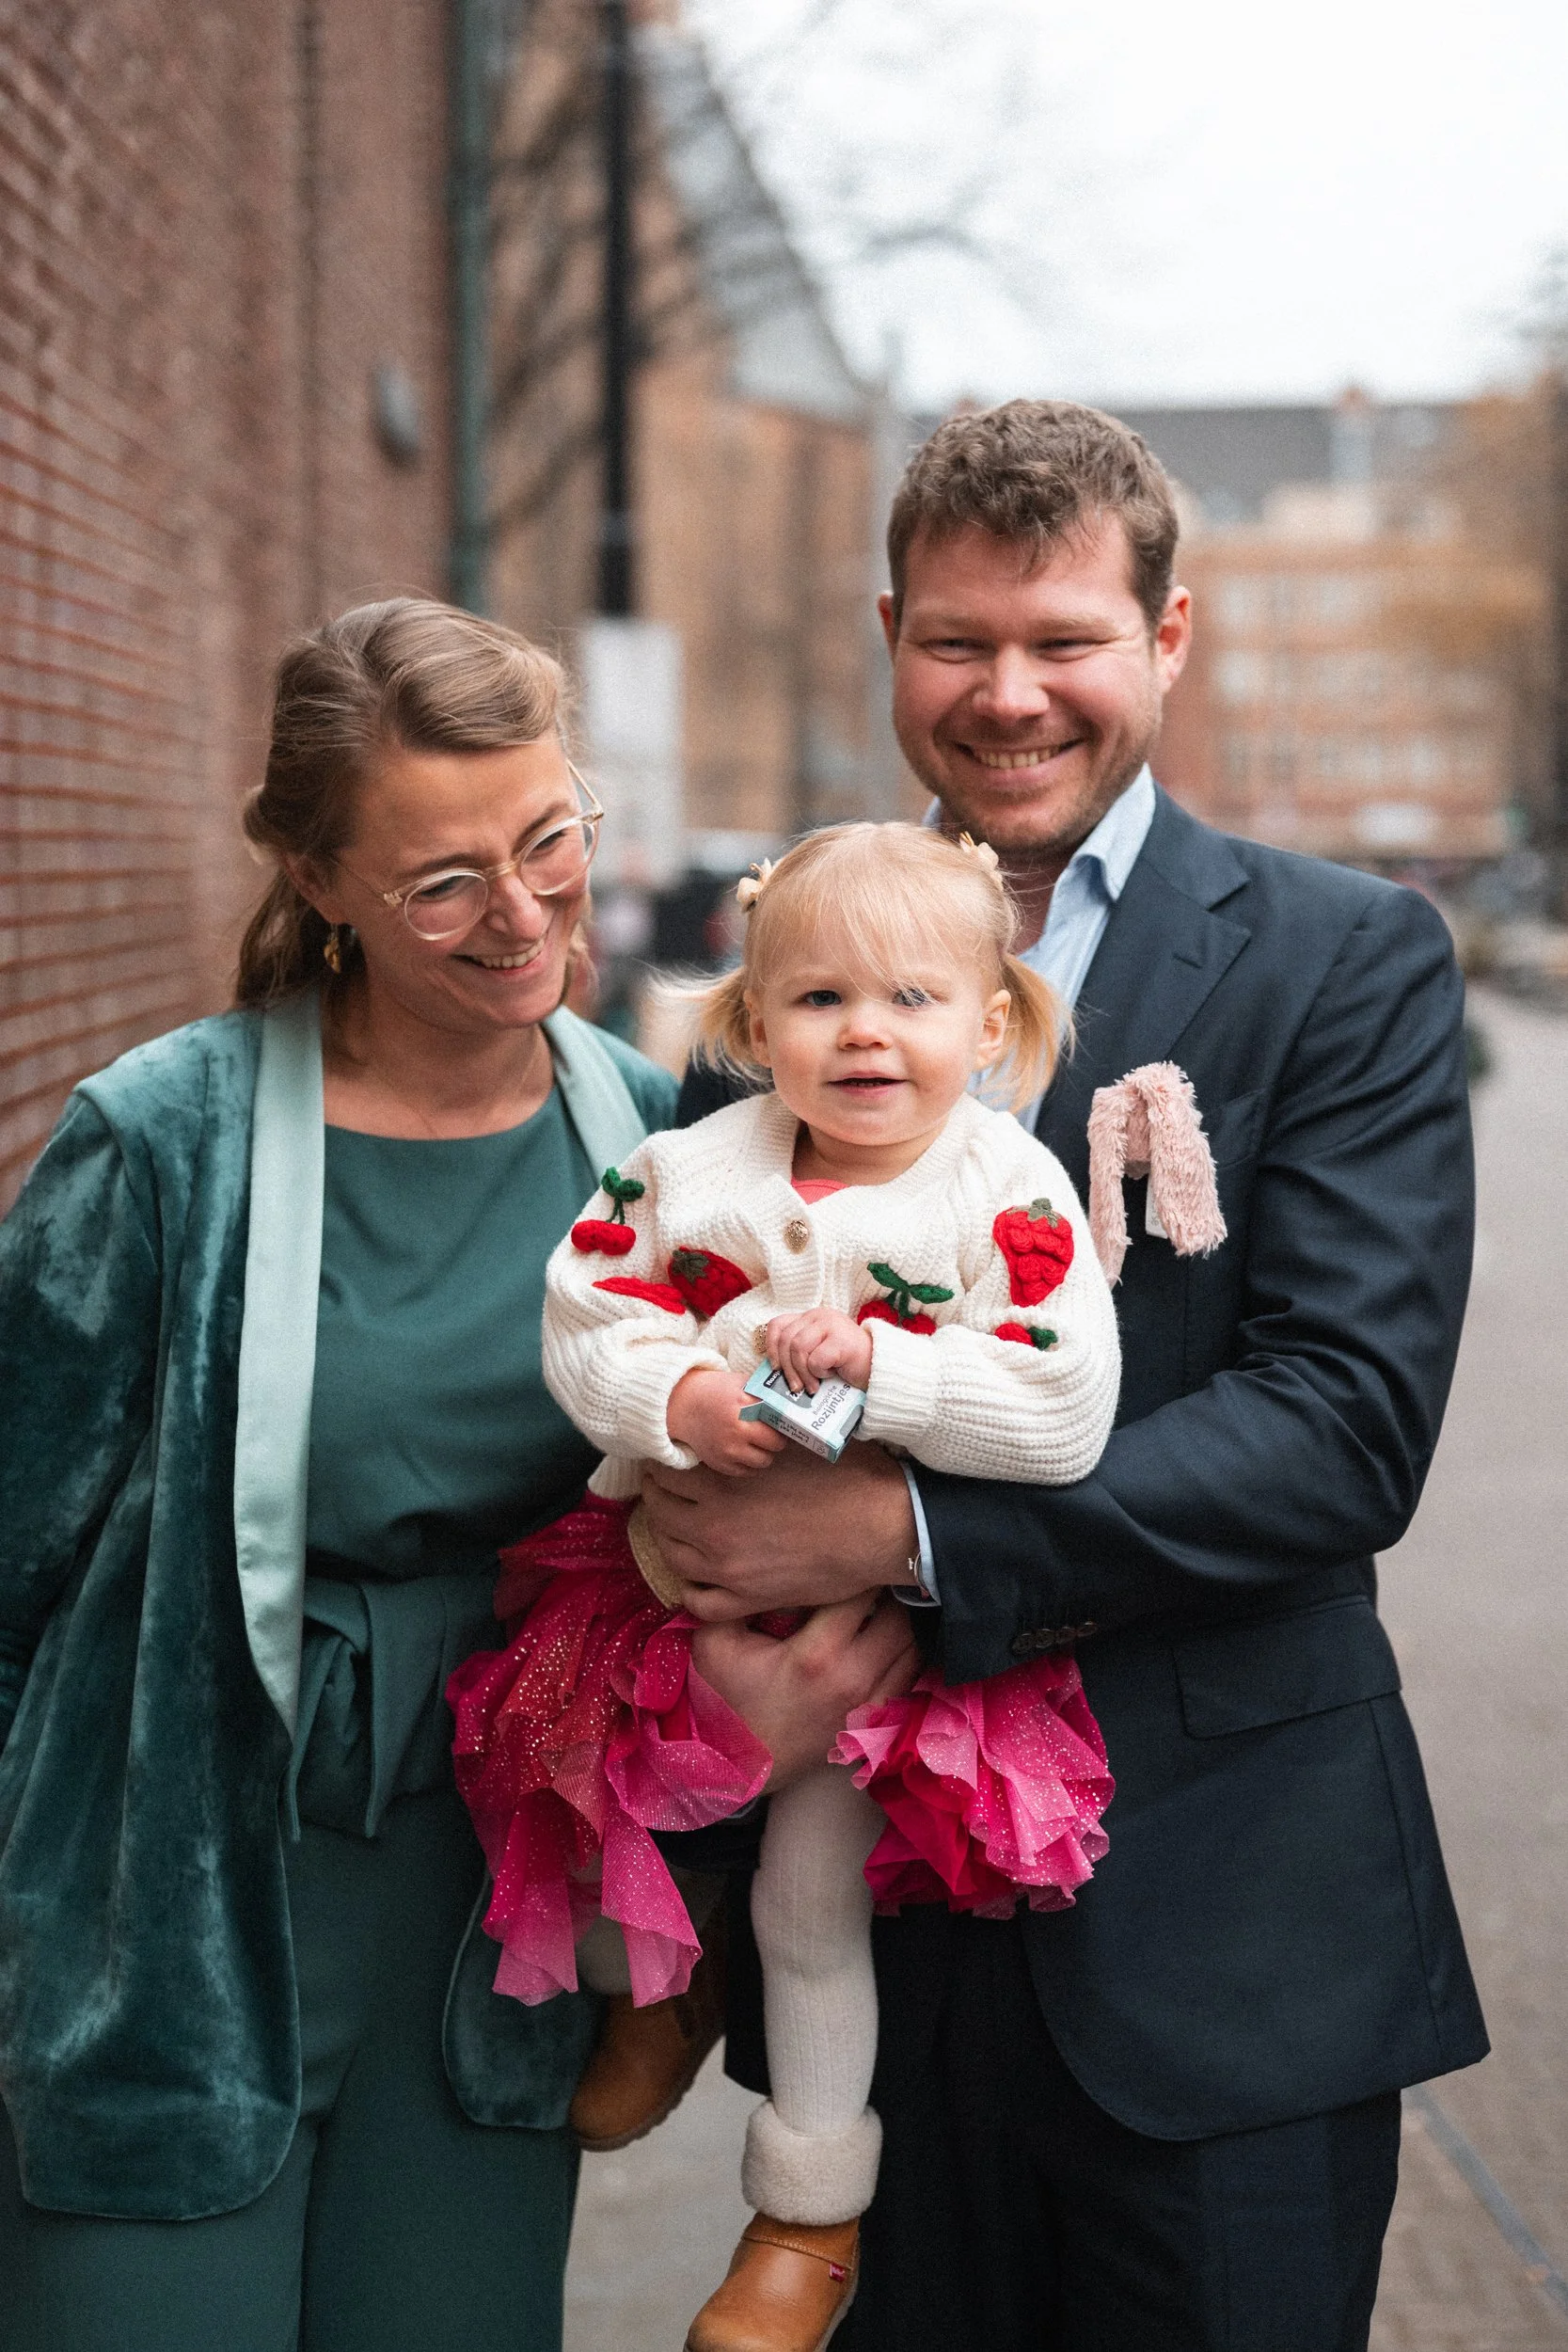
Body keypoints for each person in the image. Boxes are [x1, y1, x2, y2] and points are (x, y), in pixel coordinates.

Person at [650, 402, 1490, 2351]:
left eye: (1064, 639)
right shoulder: (770, 987)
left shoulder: (1343, 960)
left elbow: (1339, 1425)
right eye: (956, 640)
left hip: (1226, 1947)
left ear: (1165, 637)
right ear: (890, 638)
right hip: (877, 1973)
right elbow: (693, 1333)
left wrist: (902, 1529)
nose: (1008, 693)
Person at [0, 596, 708, 2352]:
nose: (523, 912)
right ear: (319, 881)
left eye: (548, 839)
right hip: (168, 1914)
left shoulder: (659, 1140)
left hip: (490, 1916)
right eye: (443, 881)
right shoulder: (163, 1144)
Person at [449, 820, 1134, 2352]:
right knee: (578, 1803)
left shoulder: (1004, 1192)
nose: (865, 1033)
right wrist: (678, 1396)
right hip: (661, 1602)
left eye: (911, 998)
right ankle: (651, 1993)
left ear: (989, 1022)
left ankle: (805, 2210)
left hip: (877, 1649)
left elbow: (1063, 1407)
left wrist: (886, 1367)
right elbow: (584, 1314)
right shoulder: (688, 1171)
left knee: (807, 1903)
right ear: (755, 1025)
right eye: (820, 999)